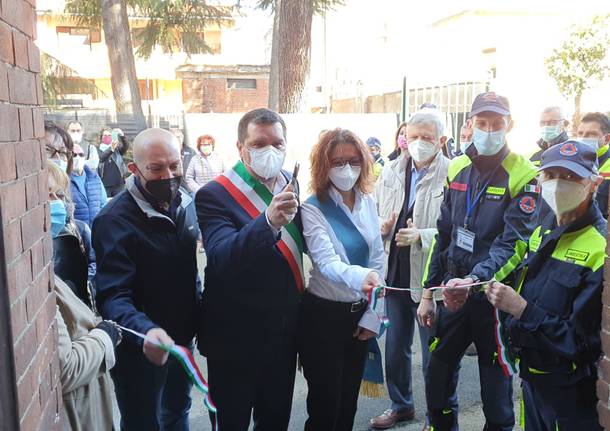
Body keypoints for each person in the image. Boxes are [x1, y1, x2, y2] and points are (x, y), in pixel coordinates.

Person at [416, 92, 540, 431]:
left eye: (496, 124)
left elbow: (513, 245)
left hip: (493, 296)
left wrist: (475, 279)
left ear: (509, 125)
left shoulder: (525, 174)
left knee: (495, 388)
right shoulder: (456, 167)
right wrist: (429, 293)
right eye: (482, 123)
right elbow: (444, 235)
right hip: (454, 295)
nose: (488, 130)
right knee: (437, 372)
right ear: (470, 124)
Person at [195, 108, 302, 430]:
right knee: (232, 423)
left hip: (281, 336)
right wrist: (267, 222)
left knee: (275, 421)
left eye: (277, 143)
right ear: (241, 148)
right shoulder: (215, 194)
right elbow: (221, 257)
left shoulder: (290, 181)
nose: (270, 151)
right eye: (259, 143)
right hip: (234, 339)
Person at [487, 140, 605, 430]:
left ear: (594, 184)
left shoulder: (600, 248)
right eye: (550, 176)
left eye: (570, 177)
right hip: (533, 378)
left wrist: (521, 309)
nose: (557, 185)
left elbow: (582, 342)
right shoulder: (543, 230)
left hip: (570, 393)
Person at [93, 128, 201, 430]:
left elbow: (190, 273)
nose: (168, 175)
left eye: (174, 165)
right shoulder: (113, 220)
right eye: (156, 168)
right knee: (143, 421)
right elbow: (113, 296)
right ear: (134, 168)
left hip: (180, 343)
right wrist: (146, 331)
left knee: (178, 412)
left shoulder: (186, 204)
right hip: (138, 349)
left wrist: (200, 320)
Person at [371, 111, 457, 430]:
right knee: (395, 349)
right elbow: (376, 214)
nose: (417, 144)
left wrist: (422, 235)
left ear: (442, 141)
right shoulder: (391, 170)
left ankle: (437, 414)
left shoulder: (454, 174)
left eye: (427, 138)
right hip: (394, 275)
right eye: (413, 136)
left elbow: (458, 231)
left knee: (433, 353)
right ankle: (401, 405)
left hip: (429, 279)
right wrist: (381, 226)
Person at [299, 128, 383, 430]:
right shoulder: (311, 208)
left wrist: (374, 314)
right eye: (337, 162)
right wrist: (362, 276)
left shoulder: (367, 202)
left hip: (359, 313)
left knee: (348, 402)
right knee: (325, 405)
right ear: (323, 166)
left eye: (352, 160)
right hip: (323, 316)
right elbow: (326, 261)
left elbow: (378, 258)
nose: (346, 168)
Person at [55, 274, 121, 431]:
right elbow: (64, 369)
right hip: (79, 416)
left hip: (87, 409)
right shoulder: (32, 280)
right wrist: (104, 338)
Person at [48, 158, 96, 309]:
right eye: (48, 194)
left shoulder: (77, 230)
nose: (56, 201)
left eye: (60, 195)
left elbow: (94, 263)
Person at [576, 112, 610, 219]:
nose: (583, 138)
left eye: (592, 134)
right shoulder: (570, 161)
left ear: (607, 139)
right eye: (580, 133)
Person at [70, 142, 108, 227]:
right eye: (74, 155)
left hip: (96, 231)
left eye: (81, 155)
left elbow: (104, 204)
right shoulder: (64, 179)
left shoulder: (94, 178)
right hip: (76, 234)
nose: (78, 158)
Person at [98, 127, 129, 197]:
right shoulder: (97, 149)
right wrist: (111, 149)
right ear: (101, 138)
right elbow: (101, 157)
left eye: (109, 135)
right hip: (104, 185)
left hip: (119, 184)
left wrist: (122, 136)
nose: (107, 137)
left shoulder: (117, 149)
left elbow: (125, 147)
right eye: (105, 135)